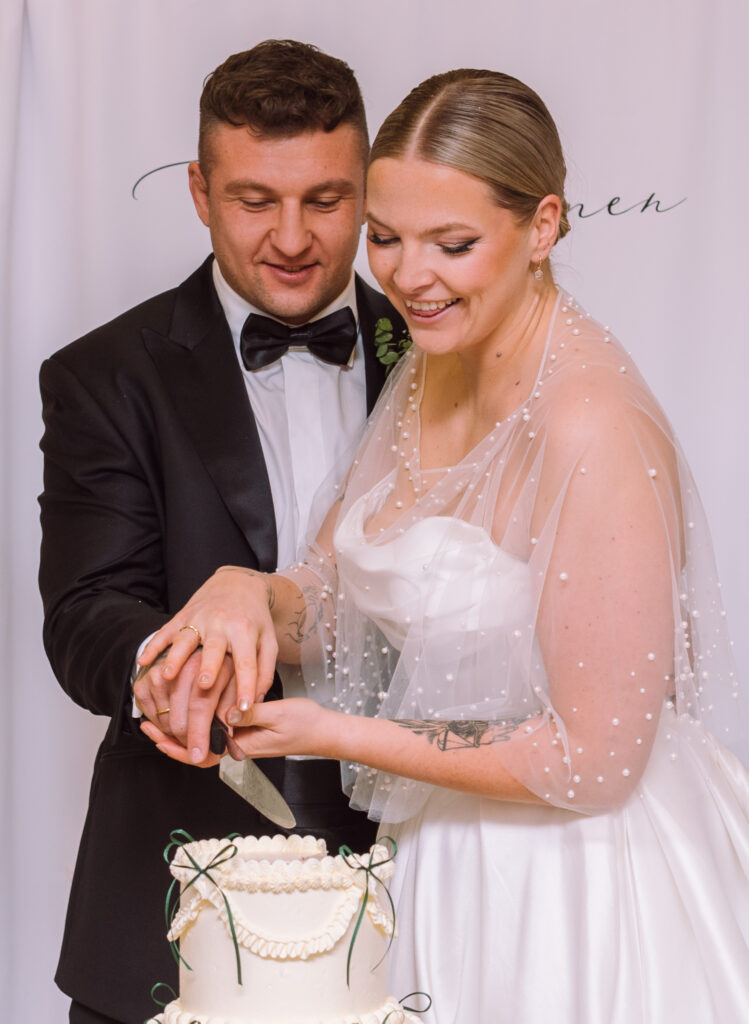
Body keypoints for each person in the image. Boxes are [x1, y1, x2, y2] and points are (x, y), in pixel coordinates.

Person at [142, 67, 749, 1022]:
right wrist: (243, 595)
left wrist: (336, 733)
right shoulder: (433, 365)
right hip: (437, 859)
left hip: (570, 887)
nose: (408, 277)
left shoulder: (589, 422)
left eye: (452, 244)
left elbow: (593, 760)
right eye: (384, 237)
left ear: (541, 227)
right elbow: (340, 597)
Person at [38, 39, 406, 1024]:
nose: (291, 236)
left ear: (367, 189)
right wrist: (159, 666)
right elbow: (85, 612)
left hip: (416, 899)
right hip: (173, 906)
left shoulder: (438, 357)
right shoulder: (103, 375)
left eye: (324, 200)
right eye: (254, 199)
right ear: (200, 191)